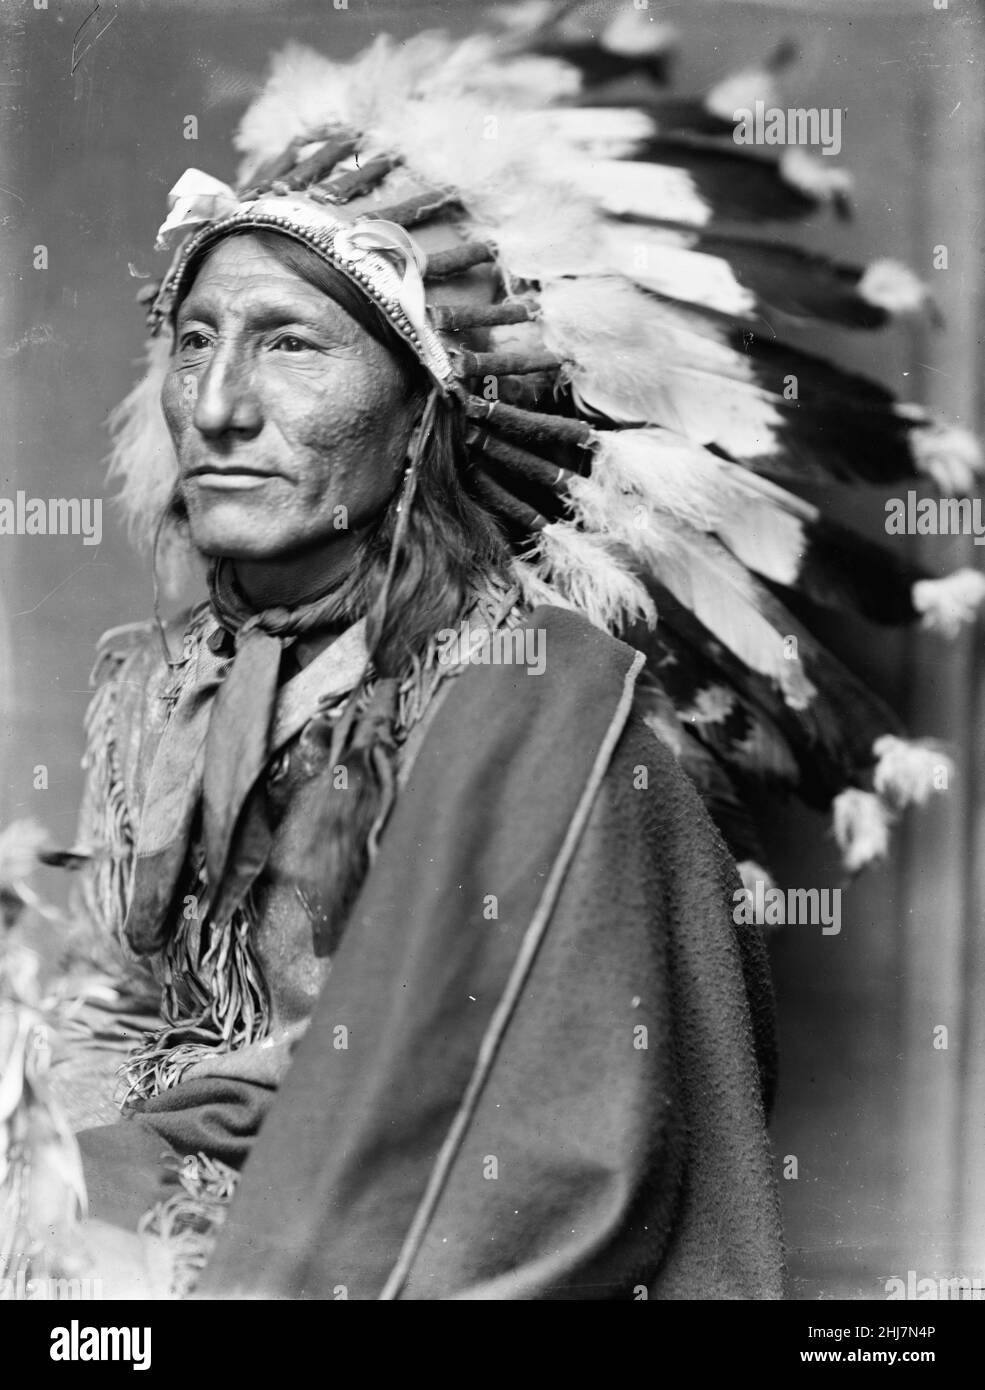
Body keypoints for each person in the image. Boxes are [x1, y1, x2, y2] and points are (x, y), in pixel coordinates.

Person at [8, 18, 980, 1300]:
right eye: (195, 339)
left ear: (427, 411)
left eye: (290, 343)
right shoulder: (160, 682)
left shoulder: (548, 714)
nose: (220, 403)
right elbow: (113, 1014)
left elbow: (549, 1172)